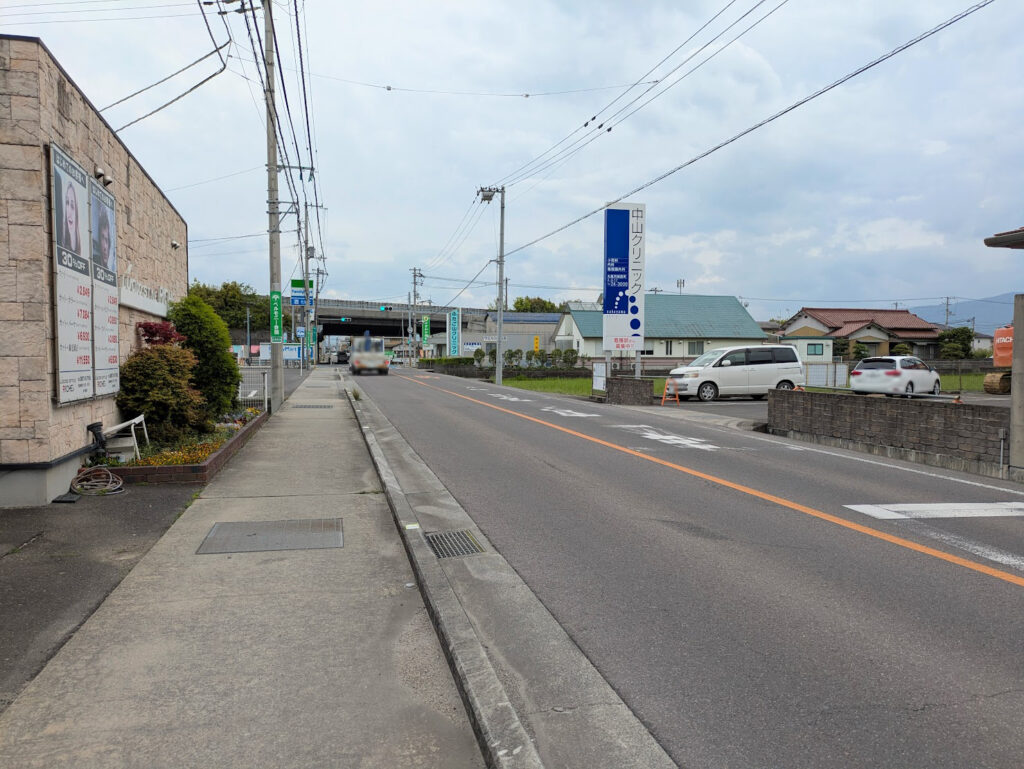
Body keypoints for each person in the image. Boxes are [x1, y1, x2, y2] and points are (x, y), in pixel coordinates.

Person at [58, 177, 81, 254]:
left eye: (72, 206)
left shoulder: (79, 247)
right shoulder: (62, 242)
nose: (69, 211)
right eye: (67, 203)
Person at [93, 207, 115, 272]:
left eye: (107, 240)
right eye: (102, 238)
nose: (105, 247)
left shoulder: (110, 272)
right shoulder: (93, 262)